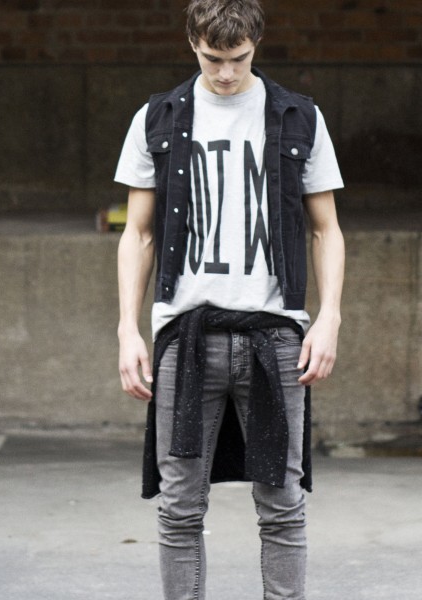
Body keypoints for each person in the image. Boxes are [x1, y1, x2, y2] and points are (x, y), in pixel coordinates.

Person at [114, 0, 344, 597]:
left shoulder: (298, 117)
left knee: (283, 506)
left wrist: (329, 318)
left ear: (256, 43)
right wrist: (128, 328)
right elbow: (138, 233)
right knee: (179, 508)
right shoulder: (158, 118)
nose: (224, 73)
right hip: (186, 336)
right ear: (192, 42)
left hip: (276, 337)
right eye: (211, 58)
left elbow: (326, 229)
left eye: (237, 58)